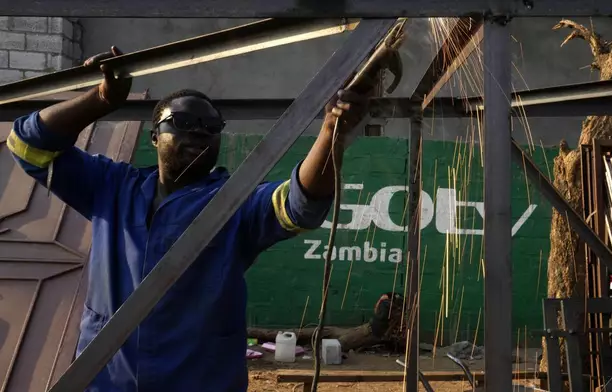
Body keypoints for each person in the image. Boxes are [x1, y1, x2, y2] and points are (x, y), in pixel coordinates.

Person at [8, 46, 374, 392]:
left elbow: (298, 203)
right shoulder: (113, 187)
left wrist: (331, 132)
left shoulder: (233, 201)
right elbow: (28, 144)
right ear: (154, 136)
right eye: (182, 121)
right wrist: (100, 99)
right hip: (109, 383)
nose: (199, 130)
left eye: (211, 125)